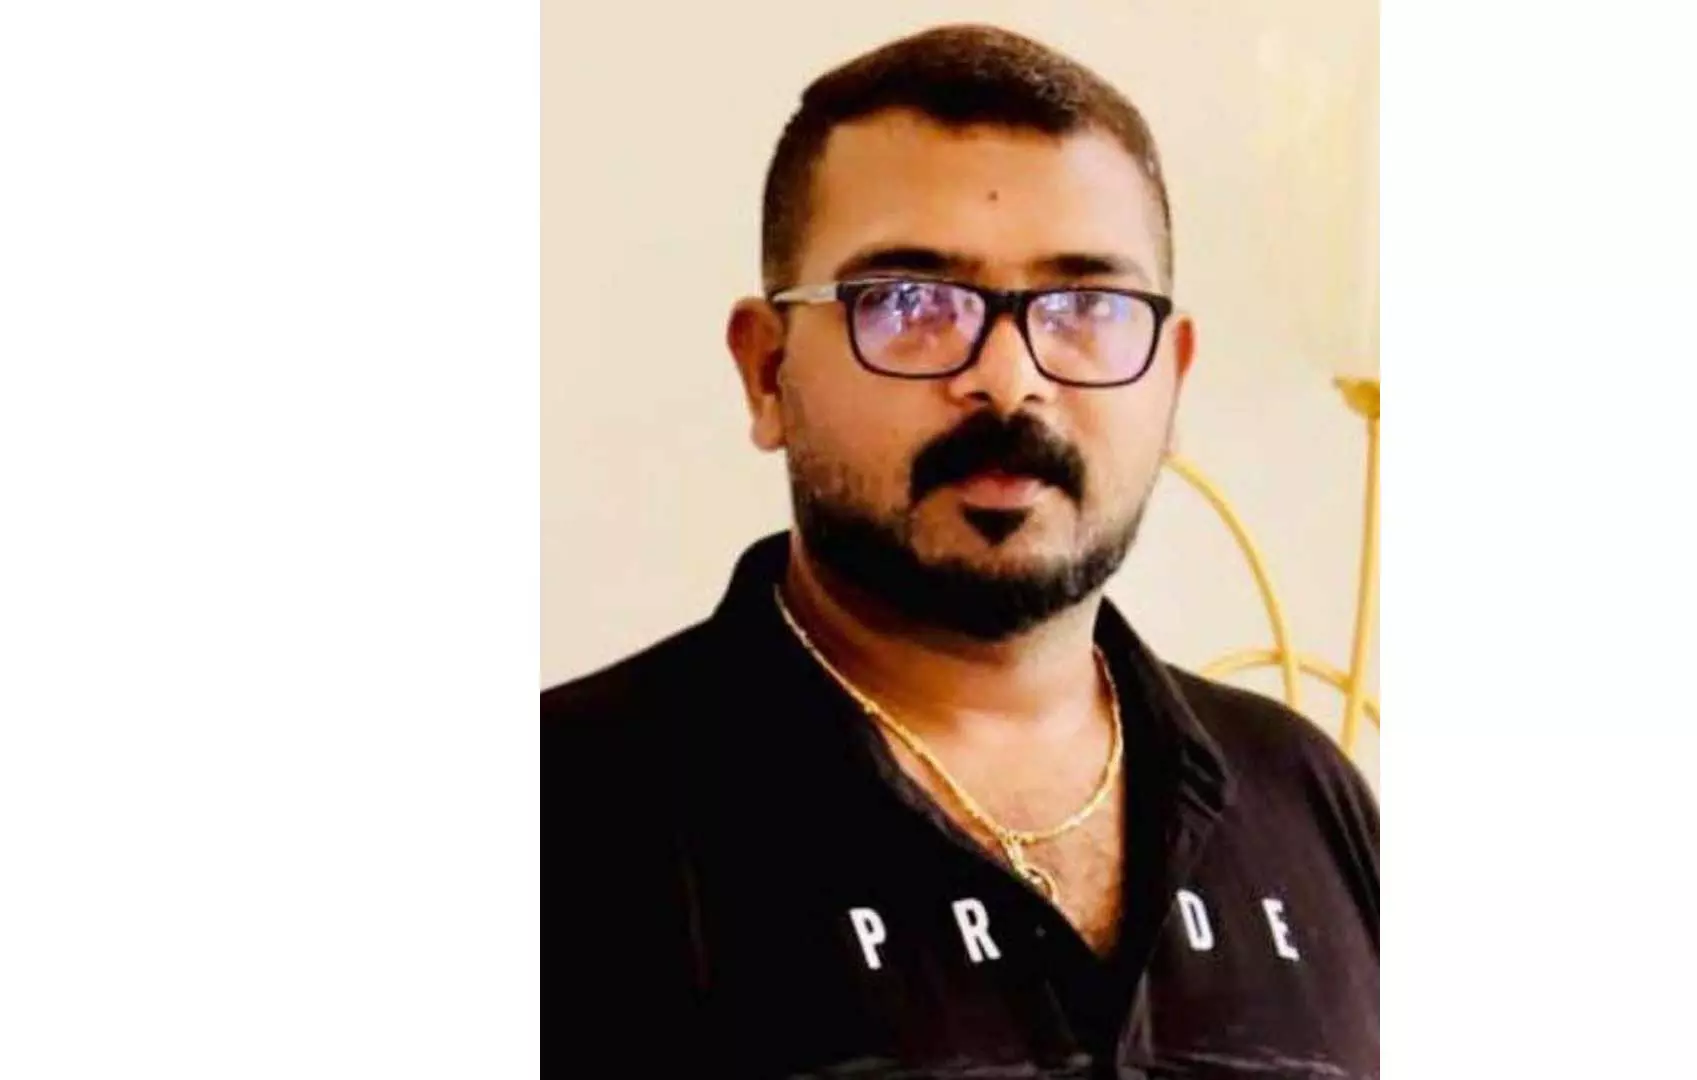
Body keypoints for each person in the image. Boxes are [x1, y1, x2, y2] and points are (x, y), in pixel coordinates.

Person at [543, 23, 1378, 1079]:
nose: (1009, 380)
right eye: (912, 304)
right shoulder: (566, 812)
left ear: (1171, 377)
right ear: (767, 372)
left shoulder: (1307, 796)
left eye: (1087, 307)